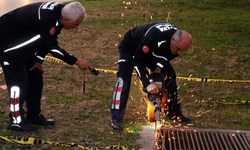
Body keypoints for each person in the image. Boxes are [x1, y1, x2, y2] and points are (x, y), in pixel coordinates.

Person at [0, 1, 93, 132]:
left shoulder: (58, 15)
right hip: (8, 47)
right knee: (18, 84)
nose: (76, 28)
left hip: (24, 47)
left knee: (35, 79)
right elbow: (52, 48)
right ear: (65, 19)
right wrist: (76, 61)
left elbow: (48, 39)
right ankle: (16, 121)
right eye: (76, 24)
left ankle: (33, 115)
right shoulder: (47, 18)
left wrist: (38, 60)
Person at [110, 22, 193, 130]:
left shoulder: (176, 42)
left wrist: (157, 68)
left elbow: (165, 57)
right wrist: (147, 82)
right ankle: (116, 118)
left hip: (151, 51)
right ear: (172, 39)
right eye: (178, 49)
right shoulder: (153, 37)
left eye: (182, 50)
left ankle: (173, 113)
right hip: (130, 48)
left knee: (170, 75)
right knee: (123, 79)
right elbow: (138, 60)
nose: (179, 53)